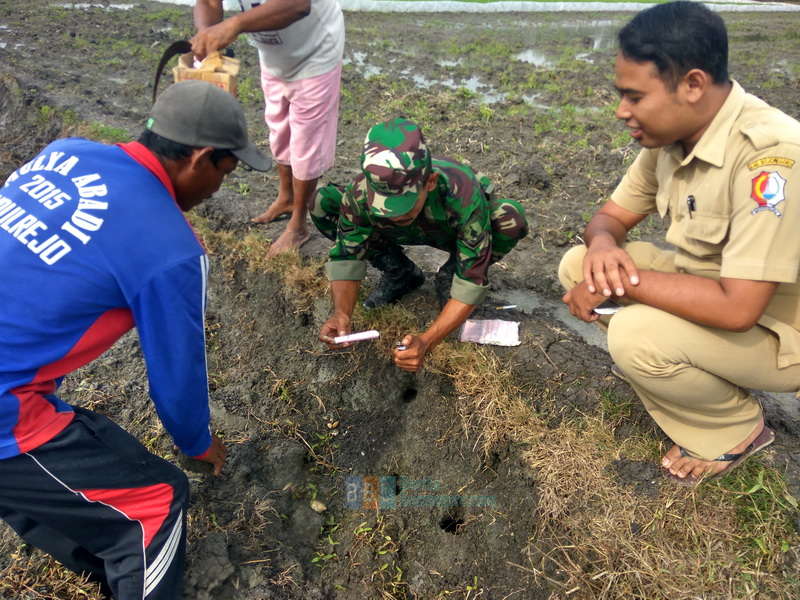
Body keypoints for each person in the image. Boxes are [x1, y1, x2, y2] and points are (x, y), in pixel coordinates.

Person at [0, 81, 270, 599]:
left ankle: (102, 562)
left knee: (37, 481)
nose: (218, 190)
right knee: (154, 504)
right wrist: (198, 443)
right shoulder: (170, 249)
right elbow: (176, 378)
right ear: (200, 158)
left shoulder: (65, 154)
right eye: (225, 173)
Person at [558, 1, 800, 485]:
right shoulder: (672, 136)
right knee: (579, 264)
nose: (621, 111)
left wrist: (628, 286)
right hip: (711, 288)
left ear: (692, 85)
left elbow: (738, 310)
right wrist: (604, 249)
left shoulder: (770, 158)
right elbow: (610, 217)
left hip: (781, 329)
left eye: (634, 97)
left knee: (635, 334)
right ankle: (694, 373)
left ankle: (734, 429)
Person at [314, 117, 528, 372]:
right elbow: (347, 255)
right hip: (388, 236)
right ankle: (399, 272)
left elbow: (473, 280)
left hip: (447, 232)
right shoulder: (361, 190)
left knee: (509, 219)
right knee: (322, 202)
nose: (392, 214)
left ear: (430, 182)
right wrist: (342, 314)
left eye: (402, 205)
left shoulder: (462, 190)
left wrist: (426, 341)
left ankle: (450, 273)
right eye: (382, 204)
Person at [192, 0, 344, 257]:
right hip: (274, 55)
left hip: (316, 51)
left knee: (306, 140)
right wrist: (207, 32)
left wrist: (235, 24)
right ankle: (285, 198)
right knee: (279, 128)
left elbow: (297, 5)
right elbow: (208, 2)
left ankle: (298, 224)